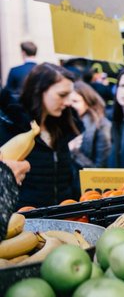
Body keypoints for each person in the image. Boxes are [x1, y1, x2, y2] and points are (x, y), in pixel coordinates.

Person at [0, 63, 83, 208]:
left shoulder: (63, 127)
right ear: (39, 90)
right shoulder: (10, 127)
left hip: (63, 215)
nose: (69, 102)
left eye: (70, 95)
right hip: (23, 218)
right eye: (62, 95)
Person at [69, 81, 112, 169]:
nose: (70, 105)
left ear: (87, 102)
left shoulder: (102, 126)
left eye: (75, 101)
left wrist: (73, 151)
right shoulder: (66, 124)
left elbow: (99, 168)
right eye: (68, 101)